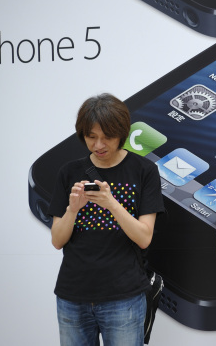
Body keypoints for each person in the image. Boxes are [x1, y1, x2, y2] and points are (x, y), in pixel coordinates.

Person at [49, 93, 164, 346]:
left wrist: (111, 203)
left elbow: (145, 237)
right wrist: (73, 209)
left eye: (107, 137)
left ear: (121, 134)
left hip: (124, 297)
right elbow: (57, 240)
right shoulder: (68, 172)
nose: (98, 145)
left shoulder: (144, 171)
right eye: (91, 137)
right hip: (72, 296)